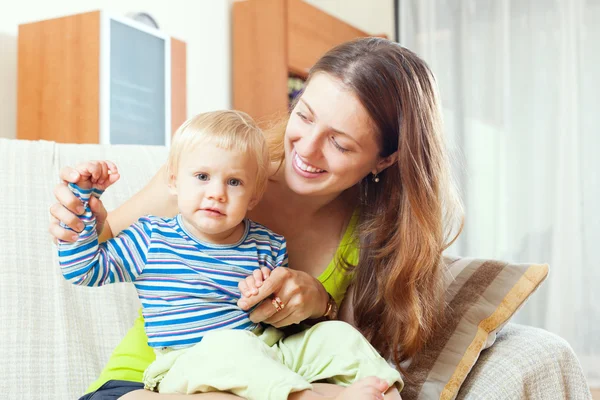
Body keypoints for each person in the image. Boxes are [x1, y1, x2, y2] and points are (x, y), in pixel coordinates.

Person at [49, 37, 463, 400]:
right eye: (303, 115)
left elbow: (345, 345)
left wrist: (320, 303)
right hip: (150, 381)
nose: (307, 148)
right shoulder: (208, 172)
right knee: (231, 356)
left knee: (332, 344)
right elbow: (98, 249)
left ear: (385, 159)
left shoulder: (371, 234)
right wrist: (80, 212)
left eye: (339, 143)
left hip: (269, 369)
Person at [57, 111, 402, 399]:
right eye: (203, 177)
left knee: (336, 337)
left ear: (254, 197)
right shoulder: (151, 237)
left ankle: (385, 389)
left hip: (265, 353)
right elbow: (84, 270)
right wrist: (84, 211)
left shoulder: (268, 244)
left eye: (234, 182)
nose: (217, 193)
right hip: (186, 363)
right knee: (230, 347)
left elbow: (276, 320)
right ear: (175, 182)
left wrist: (265, 299)